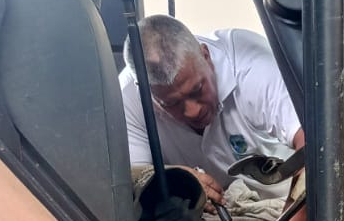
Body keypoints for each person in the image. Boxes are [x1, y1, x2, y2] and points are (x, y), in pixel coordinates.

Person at [119, 15, 303, 209]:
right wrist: (174, 177)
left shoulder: (252, 67)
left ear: (206, 56)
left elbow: (315, 145)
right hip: (210, 213)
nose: (192, 111)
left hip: (288, 202)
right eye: (171, 103)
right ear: (145, 91)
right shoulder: (127, 95)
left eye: (197, 89)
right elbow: (132, 180)